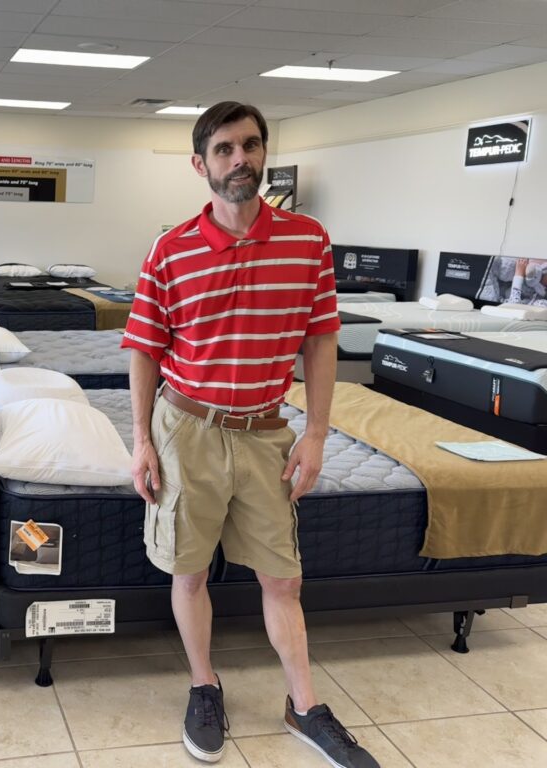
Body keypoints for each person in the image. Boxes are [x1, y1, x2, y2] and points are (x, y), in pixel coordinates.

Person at [121, 102, 379, 768]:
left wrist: (316, 434)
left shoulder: (308, 240)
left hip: (266, 431)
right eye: (226, 149)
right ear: (200, 164)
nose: (241, 159)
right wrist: (141, 440)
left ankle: (305, 705)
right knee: (188, 572)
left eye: (251, 145)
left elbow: (321, 340)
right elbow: (145, 349)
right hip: (186, 429)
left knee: (283, 579)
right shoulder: (170, 249)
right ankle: (204, 686)